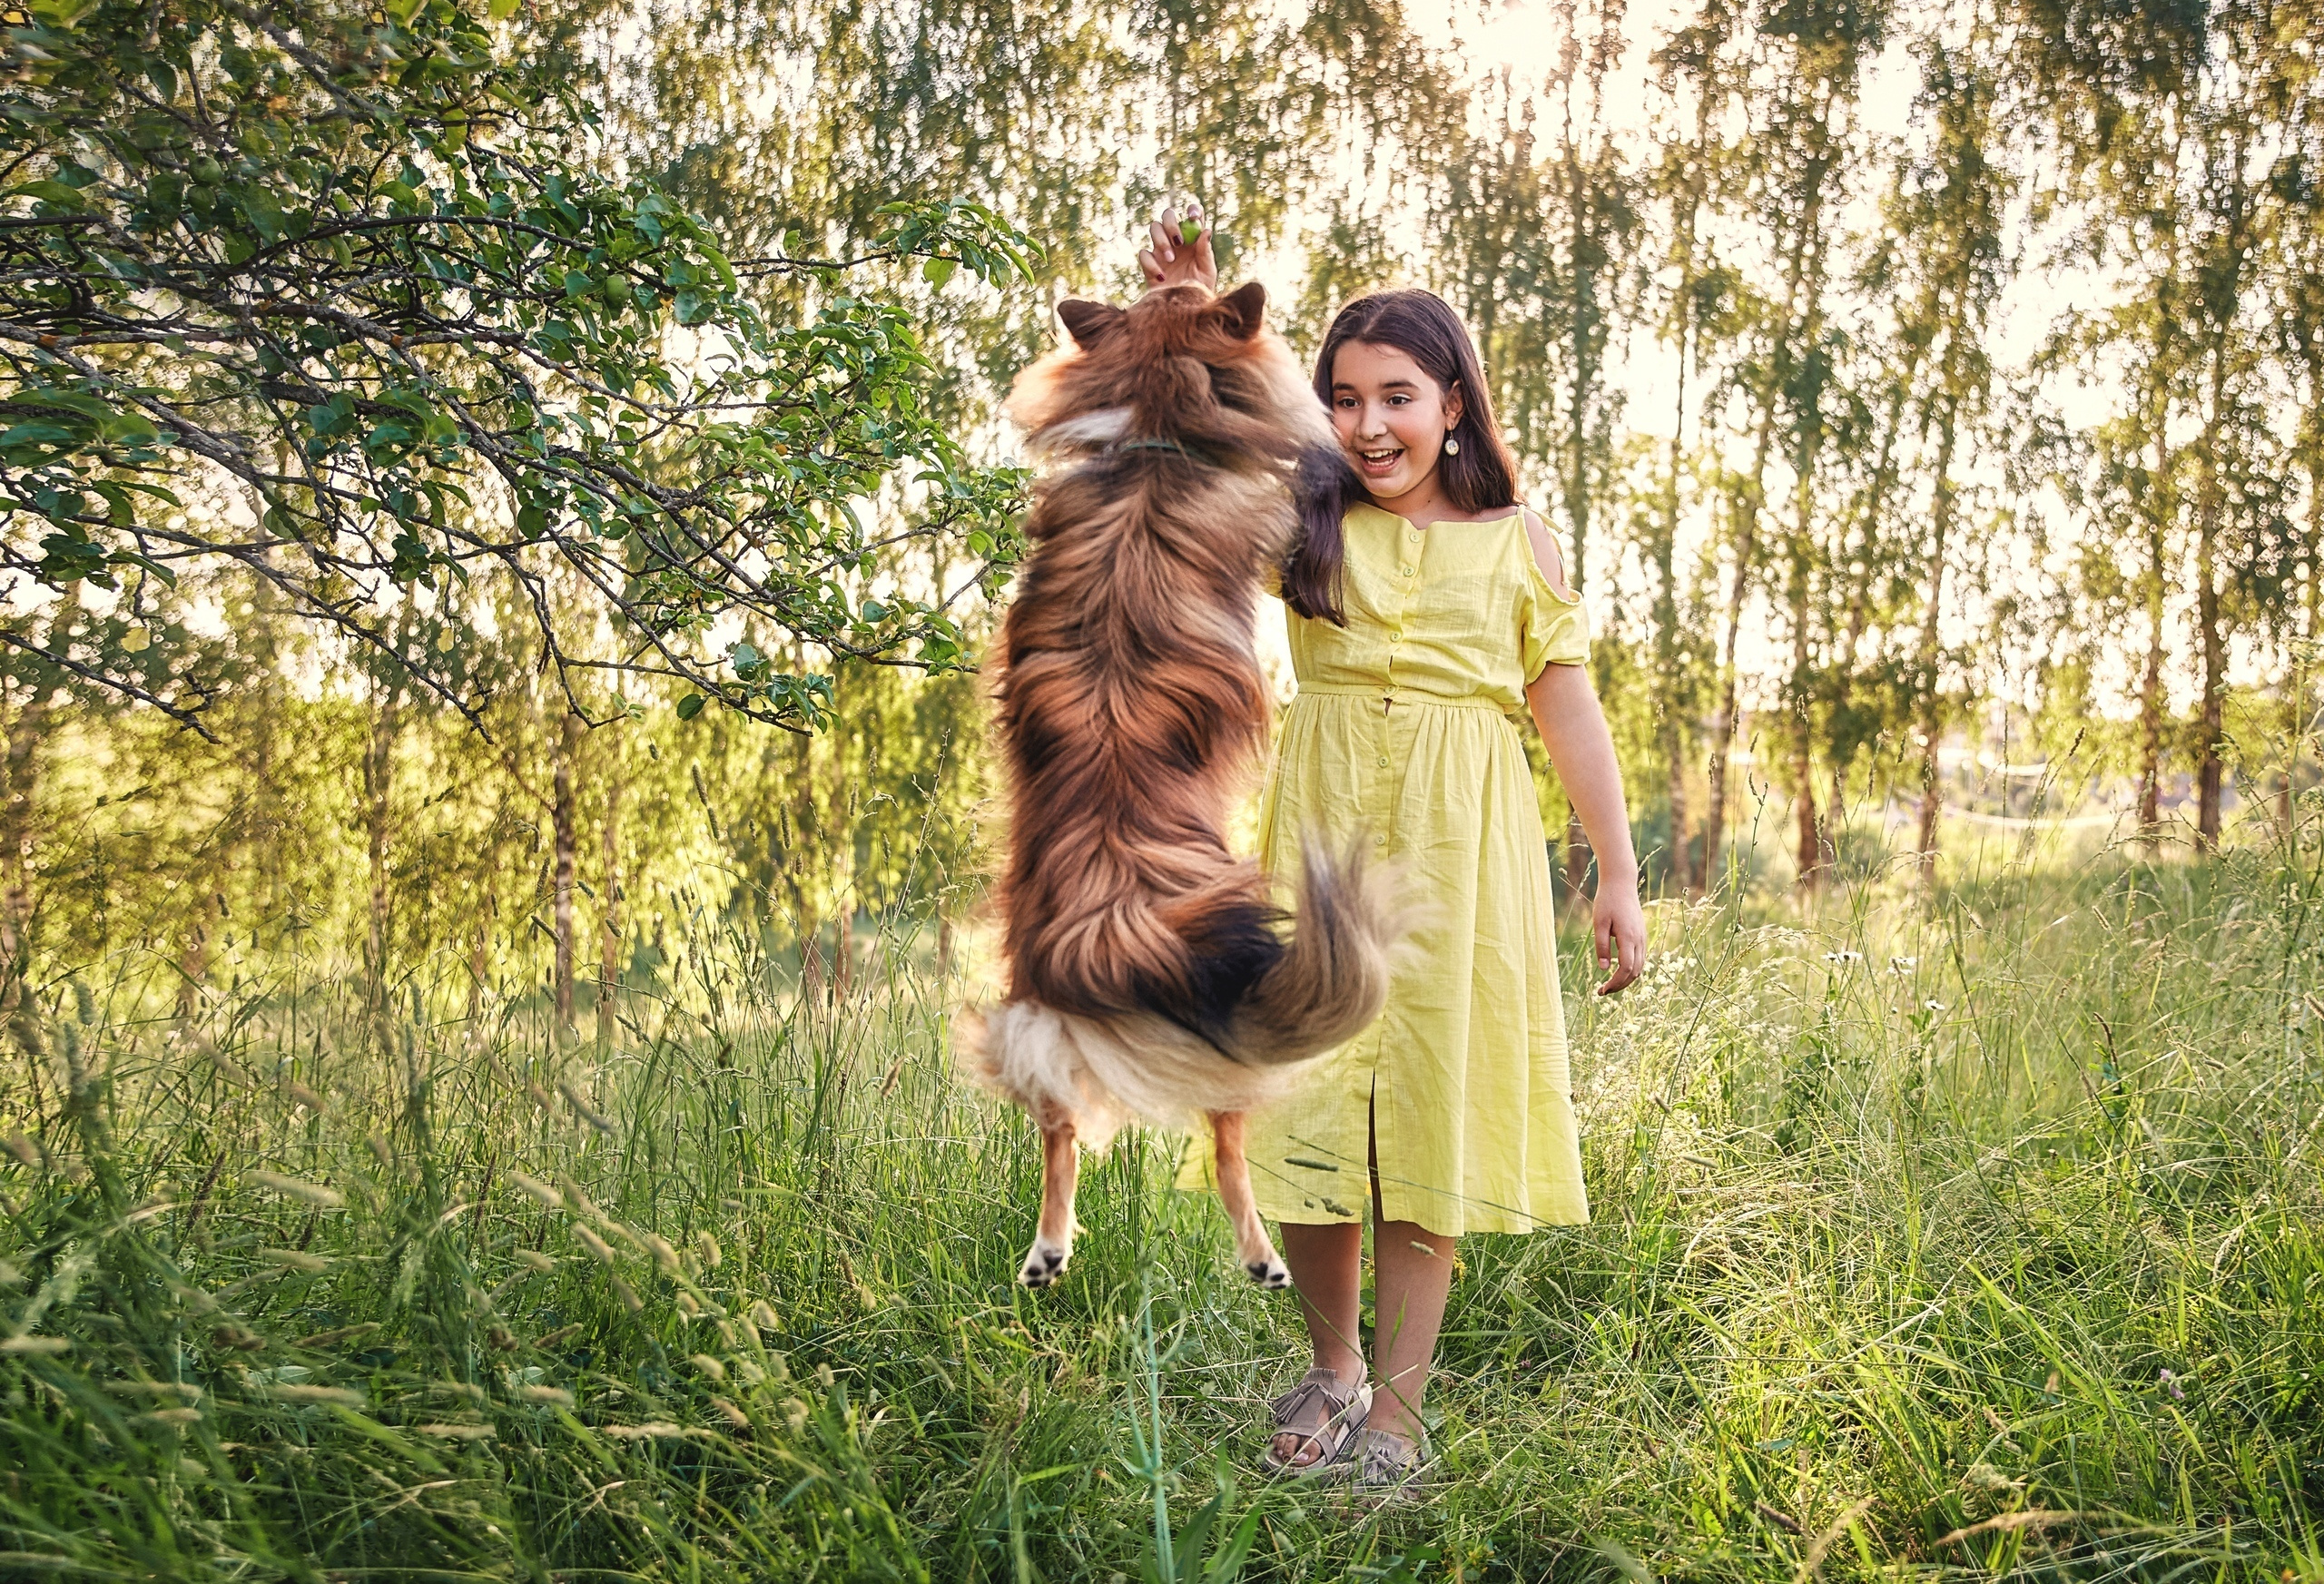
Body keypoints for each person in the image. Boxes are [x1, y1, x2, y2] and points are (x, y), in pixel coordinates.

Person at [1138, 202, 1648, 1495]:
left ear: (1456, 406)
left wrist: (1618, 871)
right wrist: (1202, 322)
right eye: (1346, 397)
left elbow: (1570, 712)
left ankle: (1401, 1408)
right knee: (1311, 1117)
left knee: (1428, 1121)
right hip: (1326, 844)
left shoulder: (1517, 544)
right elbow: (1201, 443)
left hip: (1460, 862)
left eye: (1398, 397)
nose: (1369, 424)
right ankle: (1333, 1369)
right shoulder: (1305, 520)